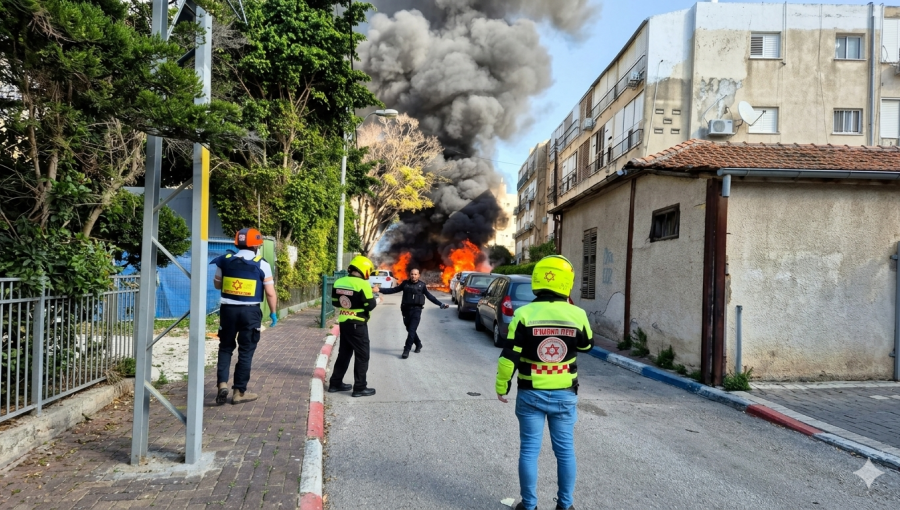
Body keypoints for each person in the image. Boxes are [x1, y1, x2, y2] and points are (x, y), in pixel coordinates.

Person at [495, 255, 594, 510]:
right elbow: (587, 345)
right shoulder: (577, 314)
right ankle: (565, 505)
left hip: (531, 393)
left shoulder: (523, 314)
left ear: (537, 280)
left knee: (529, 451)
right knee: (565, 452)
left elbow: (509, 356)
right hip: (564, 393)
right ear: (567, 282)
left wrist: (502, 385)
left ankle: (529, 506)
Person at [211, 228, 277, 405]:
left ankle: (222, 385)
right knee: (246, 351)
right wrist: (273, 313)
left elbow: (217, 284)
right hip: (250, 312)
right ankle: (239, 392)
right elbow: (270, 293)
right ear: (256, 246)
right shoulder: (261, 264)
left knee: (225, 347)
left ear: (237, 244)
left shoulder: (224, 261)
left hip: (228, 311)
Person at [328, 255, 379, 397]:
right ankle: (360, 388)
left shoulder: (339, 282)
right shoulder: (363, 284)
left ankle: (335, 383)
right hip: (358, 324)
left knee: (344, 354)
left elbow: (335, 302)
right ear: (365, 269)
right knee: (362, 356)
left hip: (344, 322)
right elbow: (370, 305)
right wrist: (377, 299)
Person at [378, 268, 449, 359]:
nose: (413, 276)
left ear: (418, 275)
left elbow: (430, 296)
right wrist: (379, 289)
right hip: (405, 310)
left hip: (416, 310)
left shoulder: (422, 285)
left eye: (415, 274)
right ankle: (418, 344)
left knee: (411, 330)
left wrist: (441, 304)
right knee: (409, 329)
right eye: (412, 274)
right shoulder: (405, 284)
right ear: (410, 275)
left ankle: (406, 349)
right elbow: (393, 290)